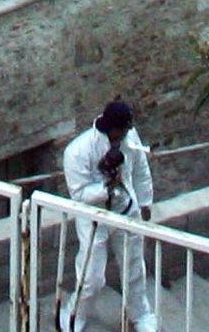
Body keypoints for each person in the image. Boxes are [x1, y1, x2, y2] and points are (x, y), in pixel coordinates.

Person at [60, 100, 157, 332]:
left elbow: (141, 169)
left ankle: (141, 314)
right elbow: (79, 193)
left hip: (126, 210)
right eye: (122, 129)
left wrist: (145, 201)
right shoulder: (78, 152)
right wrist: (106, 187)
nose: (125, 134)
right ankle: (74, 313)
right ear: (111, 127)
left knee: (134, 267)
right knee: (92, 276)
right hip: (94, 218)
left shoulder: (130, 138)